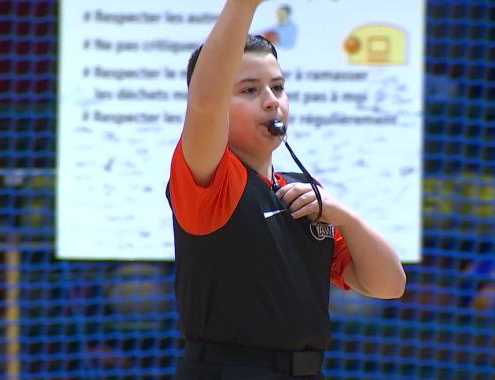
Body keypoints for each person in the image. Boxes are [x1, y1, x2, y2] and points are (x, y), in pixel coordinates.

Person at [166, 1, 406, 378]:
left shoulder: (305, 192)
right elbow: (205, 103)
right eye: (249, 90)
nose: (271, 101)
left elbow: (389, 285)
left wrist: (347, 217)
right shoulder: (213, 180)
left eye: (278, 87)